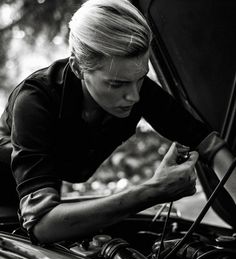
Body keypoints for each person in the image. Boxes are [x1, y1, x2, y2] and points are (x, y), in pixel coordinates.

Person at [0, 0, 235, 244]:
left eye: (140, 79)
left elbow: (208, 143)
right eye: (116, 84)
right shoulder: (34, 100)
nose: (134, 96)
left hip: (50, 188)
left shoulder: (133, 86)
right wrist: (153, 191)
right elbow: (43, 226)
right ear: (78, 68)